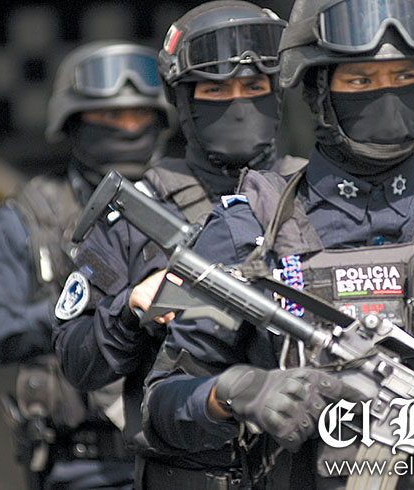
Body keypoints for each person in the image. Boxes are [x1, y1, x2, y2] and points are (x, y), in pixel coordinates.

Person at [142, 0, 414, 489]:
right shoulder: (245, 228)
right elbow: (162, 406)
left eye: (405, 76)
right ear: (317, 90)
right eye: (360, 80)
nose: (387, 94)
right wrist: (233, 392)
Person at [50, 1, 304, 488]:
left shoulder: (315, 196)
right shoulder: (136, 212)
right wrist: (130, 308)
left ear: (277, 93)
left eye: (254, 88)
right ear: (183, 100)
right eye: (215, 90)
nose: (237, 103)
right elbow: (75, 361)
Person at [0, 40, 173, 490]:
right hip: (83, 465)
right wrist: (83, 315)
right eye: (110, 116)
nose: (128, 128)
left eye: (139, 115)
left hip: (185, 456)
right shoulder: (33, 212)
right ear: (73, 122)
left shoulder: (192, 201)